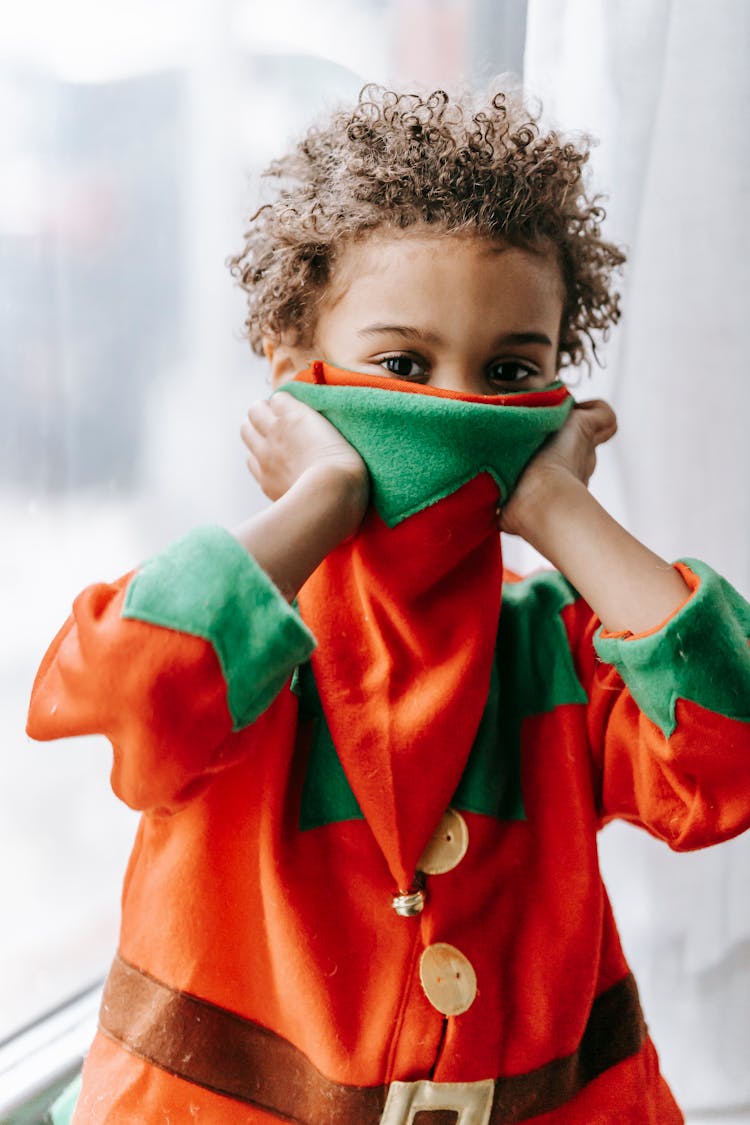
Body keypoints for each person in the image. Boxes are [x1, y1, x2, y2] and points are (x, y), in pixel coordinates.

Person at [28, 85, 750, 1124]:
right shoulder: (238, 635)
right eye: (402, 365)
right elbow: (125, 702)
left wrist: (556, 508)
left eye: (511, 371)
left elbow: (727, 746)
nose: (458, 407)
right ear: (295, 377)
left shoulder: (562, 650)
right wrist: (323, 496)